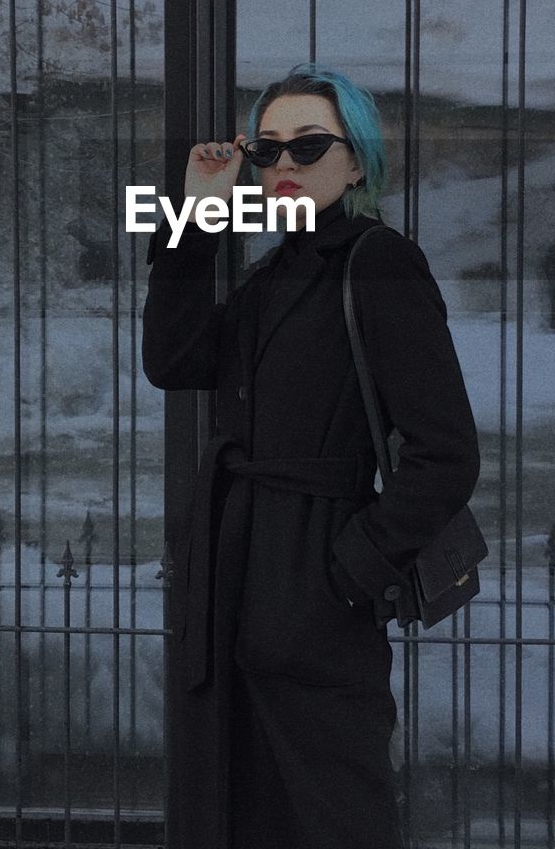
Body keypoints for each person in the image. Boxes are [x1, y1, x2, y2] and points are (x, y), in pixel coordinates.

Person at [141, 62, 480, 849]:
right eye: (267, 151)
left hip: (313, 589)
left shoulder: (378, 262)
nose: (284, 166)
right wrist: (198, 215)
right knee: (240, 809)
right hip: (230, 584)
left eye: (309, 146)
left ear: (356, 159)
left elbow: (445, 453)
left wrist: (344, 573)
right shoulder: (271, 274)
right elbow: (173, 361)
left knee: (333, 814)